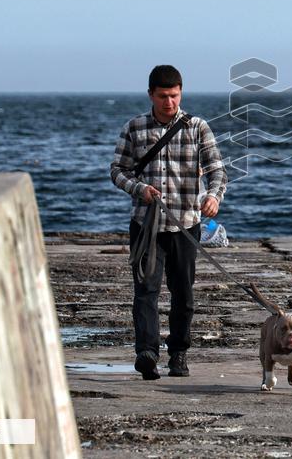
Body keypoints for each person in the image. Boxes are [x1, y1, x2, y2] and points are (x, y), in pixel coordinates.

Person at [110, 65, 228, 380]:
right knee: (145, 291)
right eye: (163, 96)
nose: (169, 103)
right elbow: (118, 171)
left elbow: (217, 170)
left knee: (183, 293)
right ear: (151, 94)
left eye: (174, 96)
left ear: (181, 93)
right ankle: (146, 353)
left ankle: (178, 354)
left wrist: (214, 197)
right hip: (145, 224)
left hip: (186, 223)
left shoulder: (198, 128)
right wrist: (139, 189)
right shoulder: (134, 128)